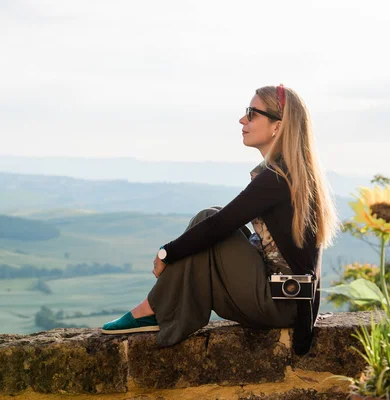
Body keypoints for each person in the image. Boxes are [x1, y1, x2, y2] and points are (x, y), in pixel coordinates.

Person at [101, 84, 339, 353]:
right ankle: (153, 308)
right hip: (285, 300)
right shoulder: (289, 173)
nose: (242, 120)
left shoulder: (278, 179)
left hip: (281, 303)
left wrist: (167, 253)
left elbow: (220, 224)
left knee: (208, 218)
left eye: (252, 113)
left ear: (278, 126)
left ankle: (150, 309)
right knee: (209, 217)